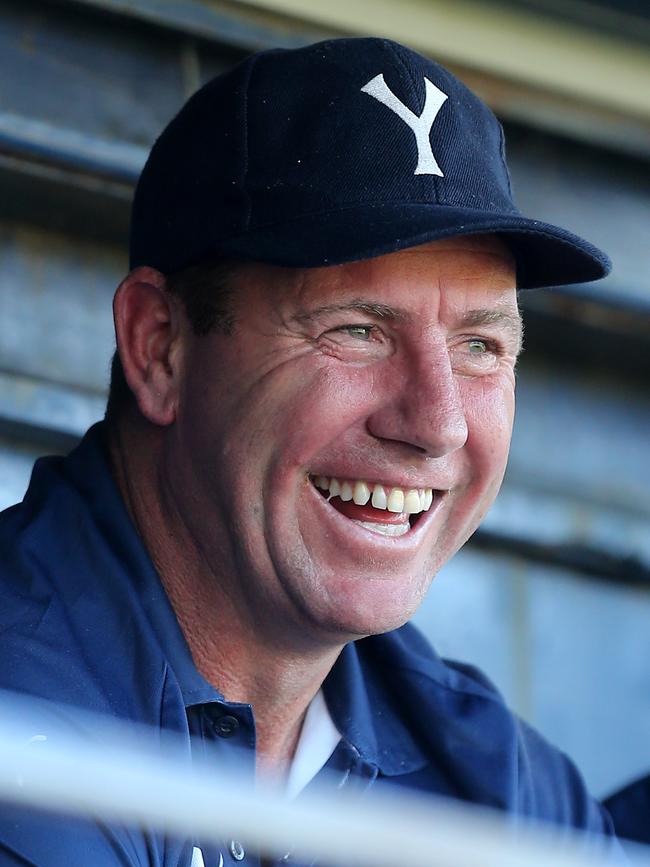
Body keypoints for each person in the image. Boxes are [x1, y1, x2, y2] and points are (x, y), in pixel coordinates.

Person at [0, 36, 619, 866]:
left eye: (480, 346)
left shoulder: (486, 777)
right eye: (357, 330)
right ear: (159, 347)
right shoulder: (22, 710)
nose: (436, 423)